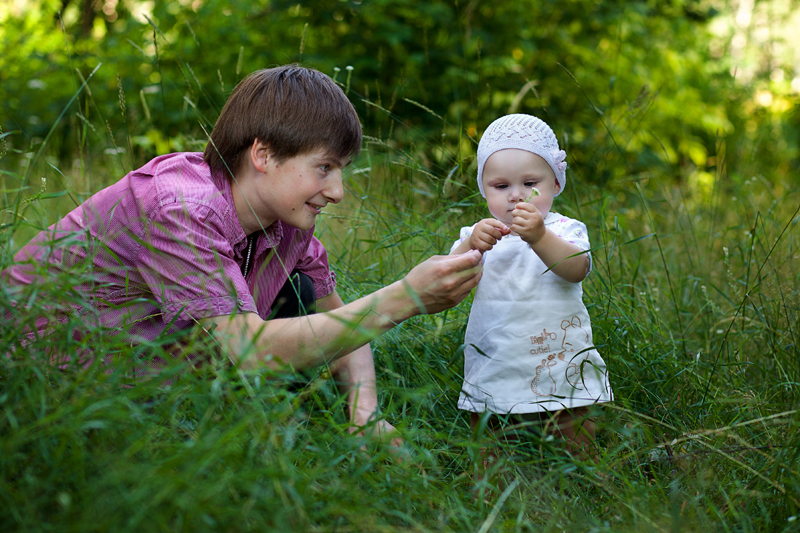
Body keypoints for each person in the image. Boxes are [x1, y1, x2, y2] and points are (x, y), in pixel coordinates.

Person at [4, 65, 483, 442]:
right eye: (324, 168)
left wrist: (365, 417)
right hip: (45, 376)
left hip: (147, 373)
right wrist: (405, 298)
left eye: (342, 170)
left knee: (298, 290)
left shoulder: (288, 222)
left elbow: (344, 325)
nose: (338, 191)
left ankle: (261, 421)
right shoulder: (181, 208)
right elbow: (249, 351)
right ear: (264, 155)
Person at [449, 113, 612, 462]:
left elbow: (577, 269)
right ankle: (490, 483)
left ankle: (586, 479)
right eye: (501, 186)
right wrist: (470, 246)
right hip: (497, 354)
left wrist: (539, 237)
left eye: (529, 183)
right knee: (490, 433)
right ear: (484, 189)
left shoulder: (563, 229)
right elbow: (447, 274)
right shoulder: (480, 233)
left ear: (556, 183)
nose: (516, 196)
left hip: (559, 355)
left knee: (574, 428)